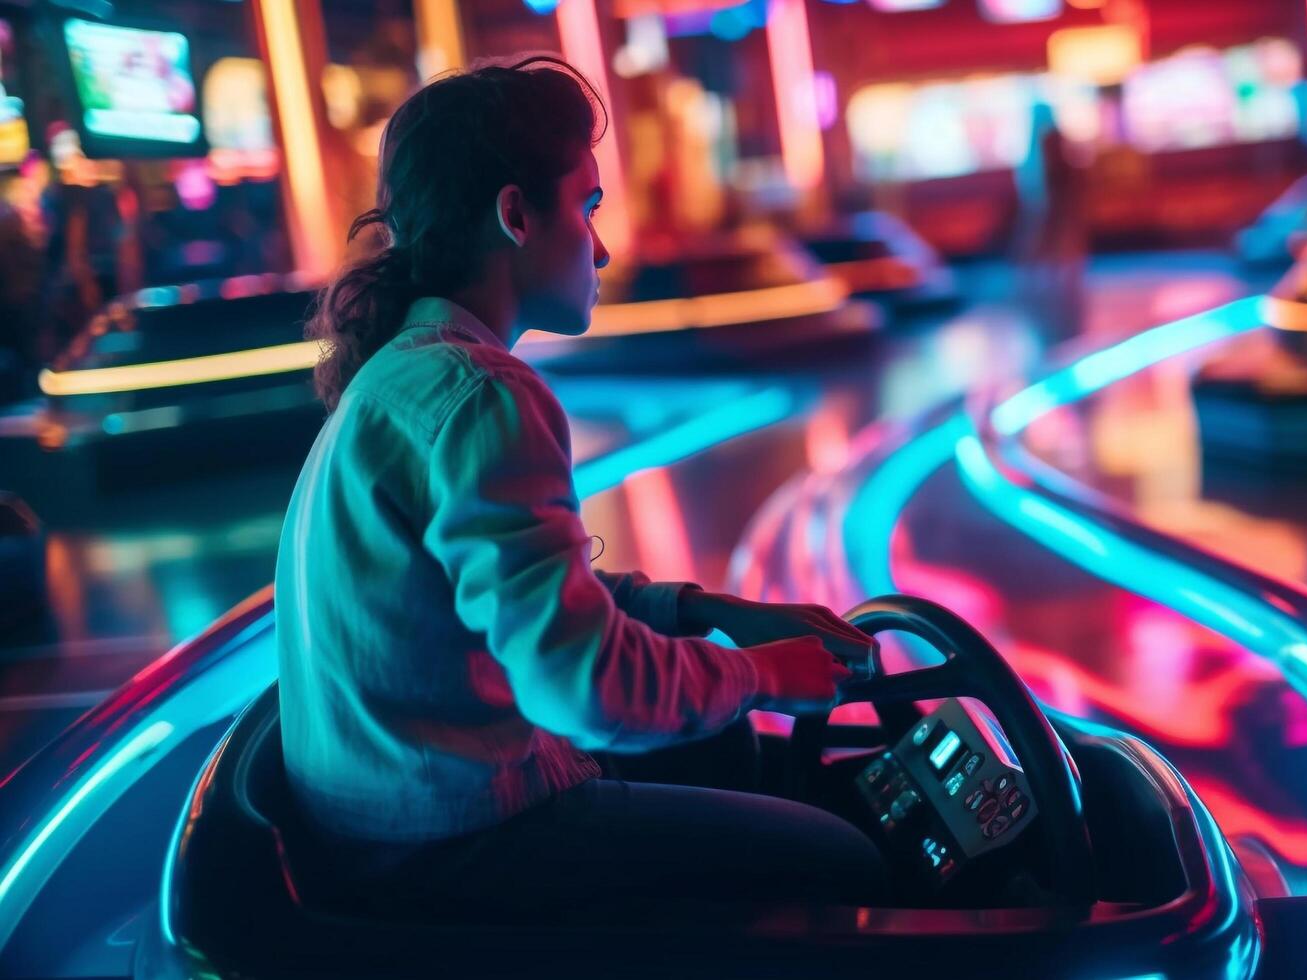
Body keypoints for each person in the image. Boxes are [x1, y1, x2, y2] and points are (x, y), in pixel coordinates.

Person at [276, 55, 887, 917]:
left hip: (383, 833)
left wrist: (707, 614)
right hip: (451, 853)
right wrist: (759, 674)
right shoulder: (483, 396)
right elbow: (584, 690)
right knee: (846, 863)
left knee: (726, 757)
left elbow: (522, 596)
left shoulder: (400, 374)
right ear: (516, 215)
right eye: (588, 207)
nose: (601, 246)